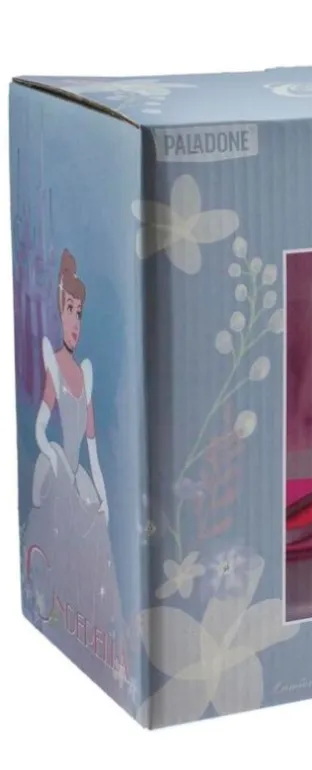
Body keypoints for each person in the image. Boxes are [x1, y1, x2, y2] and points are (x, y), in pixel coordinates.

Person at [23, 250, 123, 674]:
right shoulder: (55, 365)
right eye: (69, 310)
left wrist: (102, 496)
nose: (75, 322)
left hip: (79, 474)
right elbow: (40, 427)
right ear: (57, 311)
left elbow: (94, 449)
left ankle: (95, 636)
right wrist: (51, 455)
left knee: (94, 536)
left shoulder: (86, 376)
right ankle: (53, 609)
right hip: (59, 468)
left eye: (79, 312)